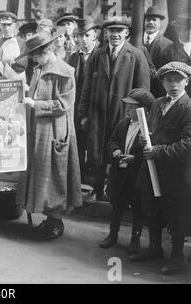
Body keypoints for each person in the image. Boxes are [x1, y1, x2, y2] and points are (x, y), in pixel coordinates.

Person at [16, 29, 82, 240]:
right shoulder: (39, 69)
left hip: (55, 129)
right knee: (42, 175)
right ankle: (49, 218)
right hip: (39, 128)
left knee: (55, 175)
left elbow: (63, 104)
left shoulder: (65, 71)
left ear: (45, 51)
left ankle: (56, 220)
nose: (33, 59)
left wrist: (35, 104)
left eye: (35, 55)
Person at [78, 16, 150, 200]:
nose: (115, 35)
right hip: (98, 115)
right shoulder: (97, 55)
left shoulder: (137, 55)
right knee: (97, 155)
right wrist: (83, 114)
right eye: (111, 31)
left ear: (126, 32)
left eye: (119, 31)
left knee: (120, 154)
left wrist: (137, 118)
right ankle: (96, 190)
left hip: (123, 115)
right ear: (105, 33)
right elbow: (86, 88)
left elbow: (143, 92)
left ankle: (118, 197)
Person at [130, 62, 191, 275]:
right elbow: (150, 131)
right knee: (151, 208)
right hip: (151, 168)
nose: (174, 84)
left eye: (178, 80)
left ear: (186, 81)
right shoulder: (156, 104)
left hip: (175, 172)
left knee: (176, 214)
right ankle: (154, 248)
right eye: (169, 80)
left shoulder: (188, 107)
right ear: (163, 82)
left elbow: (188, 143)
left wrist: (157, 150)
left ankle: (177, 258)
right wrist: (144, 139)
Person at [99, 88, 154, 253]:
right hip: (120, 173)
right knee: (117, 204)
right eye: (128, 106)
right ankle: (112, 234)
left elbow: (150, 152)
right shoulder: (123, 124)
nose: (127, 110)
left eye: (132, 107)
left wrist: (135, 159)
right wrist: (115, 150)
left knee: (137, 208)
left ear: (143, 110)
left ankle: (135, 239)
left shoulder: (149, 129)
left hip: (136, 175)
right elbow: (112, 140)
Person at [67, 16, 100, 180]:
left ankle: (94, 184)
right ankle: (77, 182)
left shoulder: (101, 56)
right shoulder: (73, 58)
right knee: (77, 147)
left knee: (94, 149)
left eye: (87, 35)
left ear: (95, 35)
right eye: (80, 36)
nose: (84, 39)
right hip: (75, 109)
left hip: (95, 111)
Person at [143, 6, 172, 98]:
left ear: (159, 23)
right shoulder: (134, 42)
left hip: (158, 93)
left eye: (154, 20)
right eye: (148, 19)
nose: (151, 22)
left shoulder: (168, 45)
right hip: (138, 90)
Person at [162, 14, 191, 96]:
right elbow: (165, 78)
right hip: (179, 96)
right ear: (178, 30)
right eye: (186, 29)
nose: (189, 32)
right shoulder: (169, 52)